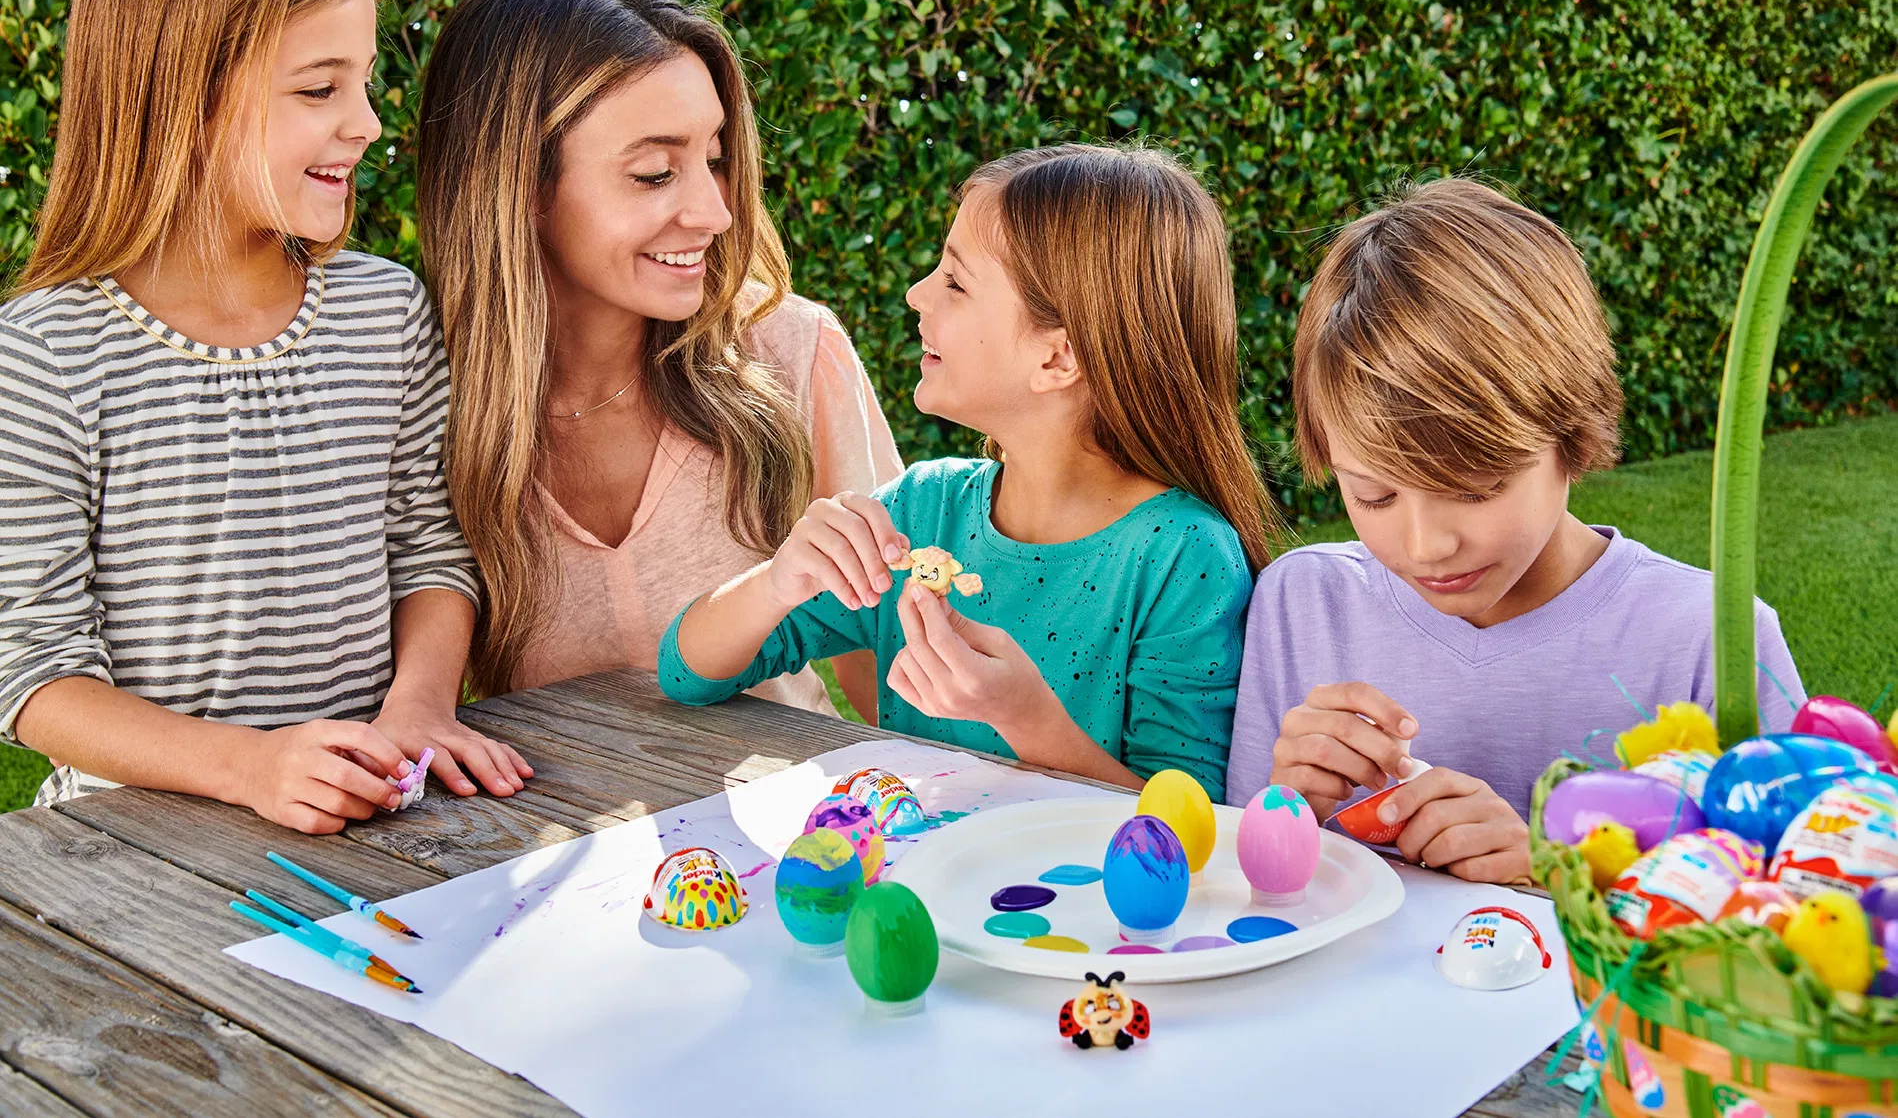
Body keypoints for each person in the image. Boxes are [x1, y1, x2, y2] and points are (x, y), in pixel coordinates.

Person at [0, 0, 528, 831]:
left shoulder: (385, 312)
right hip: (133, 847)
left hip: (366, 816)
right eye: (320, 89)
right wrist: (249, 766)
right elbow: (32, 672)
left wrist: (419, 708)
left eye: (363, 83)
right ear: (179, 99)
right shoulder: (43, 356)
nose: (367, 123)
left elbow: (428, 548)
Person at [1226, 177, 1799, 883]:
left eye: (1473, 487)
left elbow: (1799, 898)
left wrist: (1563, 873)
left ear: (1570, 431)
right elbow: (1242, 894)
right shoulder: (1303, 606)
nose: (1427, 546)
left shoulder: (1708, 642)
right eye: (1374, 495)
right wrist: (1285, 815)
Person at [660, 144, 1275, 796]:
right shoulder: (923, 512)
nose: (916, 293)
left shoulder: (1182, 557)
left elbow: (1184, 821)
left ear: (1057, 358)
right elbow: (686, 674)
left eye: (955, 282)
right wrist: (776, 583)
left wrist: (1026, 720)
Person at [416, 0, 901, 713]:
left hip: (799, 795)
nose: (716, 213)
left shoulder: (790, 350)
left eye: (715, 159)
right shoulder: (417, 395)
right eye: (653, 173)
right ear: (519, 186)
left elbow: (894, 667)